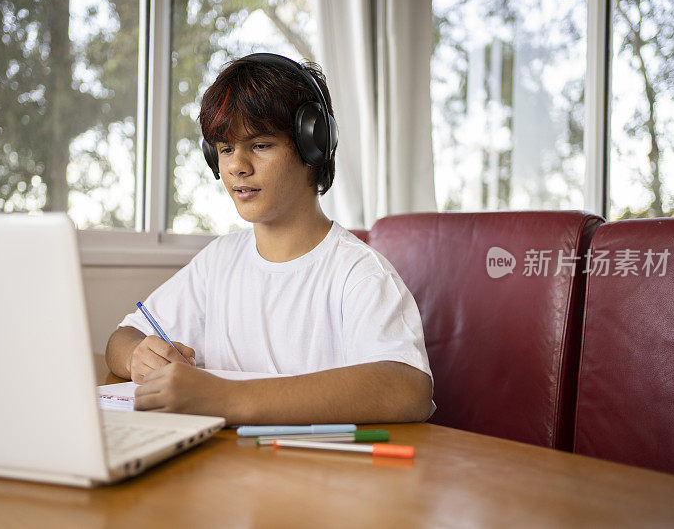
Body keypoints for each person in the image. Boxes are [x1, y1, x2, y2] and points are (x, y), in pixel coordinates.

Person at [105, 53, 433, 425]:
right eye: (225, 149)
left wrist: (225, 398)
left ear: (314, 144)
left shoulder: (358, 273)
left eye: (259, 145)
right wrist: (137, 356)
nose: (236, 166)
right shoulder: (218, 262)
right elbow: (122, 336)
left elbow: (407, 389)